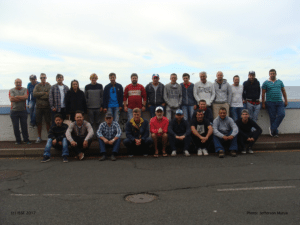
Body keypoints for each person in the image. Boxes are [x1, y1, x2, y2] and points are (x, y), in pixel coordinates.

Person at [262, 69, 288, 137]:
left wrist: (286, 100)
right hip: (270, 102)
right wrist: (263, 103)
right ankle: (274, 133)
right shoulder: (265, 83)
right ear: (269, 74)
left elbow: (283, 91)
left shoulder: (280, 82)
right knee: (272, 117)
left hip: (279, 102)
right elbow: (263, 93)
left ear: (276, 74)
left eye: (273, 73)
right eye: (271, 73)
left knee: (282, 114)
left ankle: (272, 128)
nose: (272, 75)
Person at [9, 79, 31, 145]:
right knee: (16, 127)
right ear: (14, 83)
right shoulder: (11, 90)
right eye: (17, 82)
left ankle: (26, 140)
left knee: (24, 126)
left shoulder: (25, 89)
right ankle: (18, 140)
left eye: (19, 82)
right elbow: (11, 99)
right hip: (14, 111)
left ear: (21, 83)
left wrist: (17, 97)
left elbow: (26, 97)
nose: (18, 83)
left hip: (23, 111)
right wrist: (22, 98)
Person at [33, 73, 51, 143]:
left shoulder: (49, 86)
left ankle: (49, 137)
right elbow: (34, 94)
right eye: (41, 78)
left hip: (47, 106)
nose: (43, 79)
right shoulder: (37, 86)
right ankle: (39, 137)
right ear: (40, 79)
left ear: (46, 78)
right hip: (39, 107)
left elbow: (49, 95)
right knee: (39, 122)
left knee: (48, 122)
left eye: (44, 77)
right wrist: (44, 93)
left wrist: (40, 95)